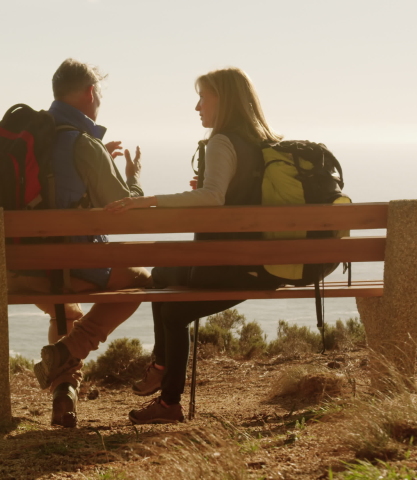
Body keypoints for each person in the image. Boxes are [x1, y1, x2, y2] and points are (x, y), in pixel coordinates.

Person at [105, 67, 287, 424]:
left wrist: (147, 200)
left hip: (229, 266)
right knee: (165, 285)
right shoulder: (267, 143)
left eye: (203, 96)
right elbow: (241, 195)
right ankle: (163, 379)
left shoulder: (222, 141)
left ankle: (165, 387)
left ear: (224, 99)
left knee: (169, 299)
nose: (197, 106)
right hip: (265, 266)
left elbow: (212, 198)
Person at [10, 59, 151, 427]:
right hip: (66, 268)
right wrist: (133, 178)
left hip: (16, 270)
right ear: (90, 92)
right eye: (98, 93)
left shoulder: (26, 137)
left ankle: (64, 394)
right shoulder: (83, 143)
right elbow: (124, 209)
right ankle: (67, 350)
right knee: (141, 280)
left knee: (66, 308)